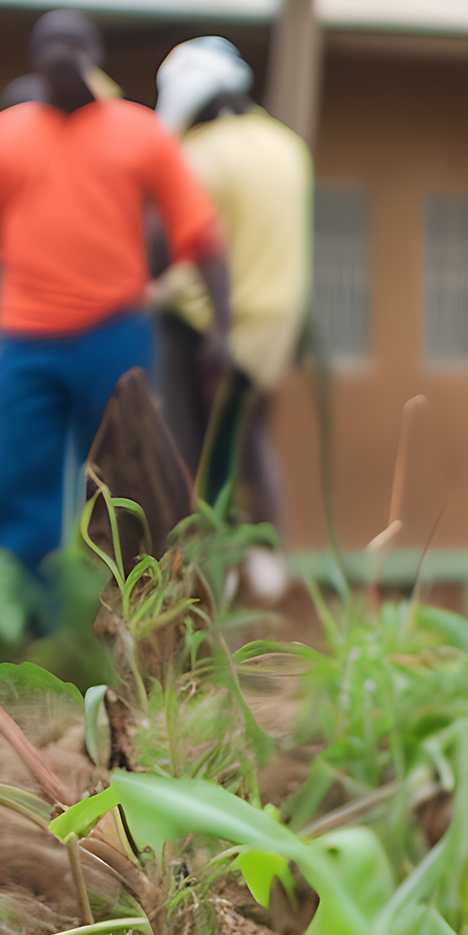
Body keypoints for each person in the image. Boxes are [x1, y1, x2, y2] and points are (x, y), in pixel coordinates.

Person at [0, 9, 233, 593]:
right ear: (32, 57)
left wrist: (223, 328)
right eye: (49, 43)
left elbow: (199, 231)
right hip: (29, 342)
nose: (61, 53)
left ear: (95, 56)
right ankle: (30, 618)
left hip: (116, 335)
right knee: (22, 485)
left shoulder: (139, 131)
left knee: (127, 479)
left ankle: (128, 607)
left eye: (74, 43)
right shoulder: (3, 137)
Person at [146, 37, 312, 600]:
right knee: (250, 435)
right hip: (275, 323)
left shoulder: (200, 156)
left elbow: (188, 247)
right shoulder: (288, 146)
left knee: (199, 446)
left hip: (208, 323)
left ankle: (213, 566)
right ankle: (269, 556)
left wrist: (152, 290)